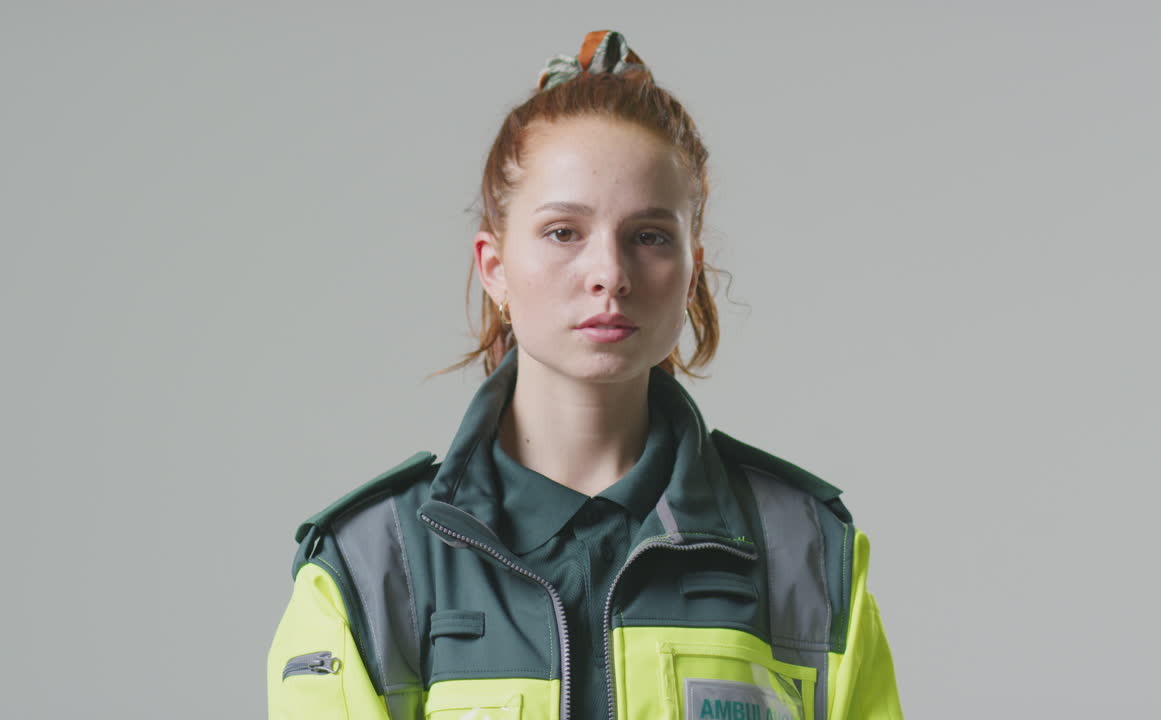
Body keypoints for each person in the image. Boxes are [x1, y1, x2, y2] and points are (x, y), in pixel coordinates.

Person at [267, 30, 903, 720]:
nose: (610, 274)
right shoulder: (369, 566)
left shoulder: (803, 548)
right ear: (494, 266)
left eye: (650, 236)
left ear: (691, 269)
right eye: (563, 232)